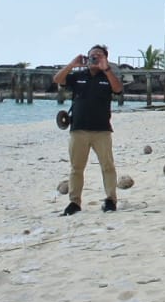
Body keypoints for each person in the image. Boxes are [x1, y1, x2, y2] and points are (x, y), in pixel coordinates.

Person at [53, 45, 123, 214]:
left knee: (108, 166)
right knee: (76, 168)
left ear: (105, 58)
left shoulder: (108, 76)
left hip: (102, 131)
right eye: (92, 56)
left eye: (99, 56)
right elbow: (57, 79)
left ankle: (110, 200)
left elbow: (118, 89)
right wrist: (72, 64)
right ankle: (74, 202)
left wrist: (106, 69)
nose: (94, 58)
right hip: (79, 130)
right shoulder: (78, 76)